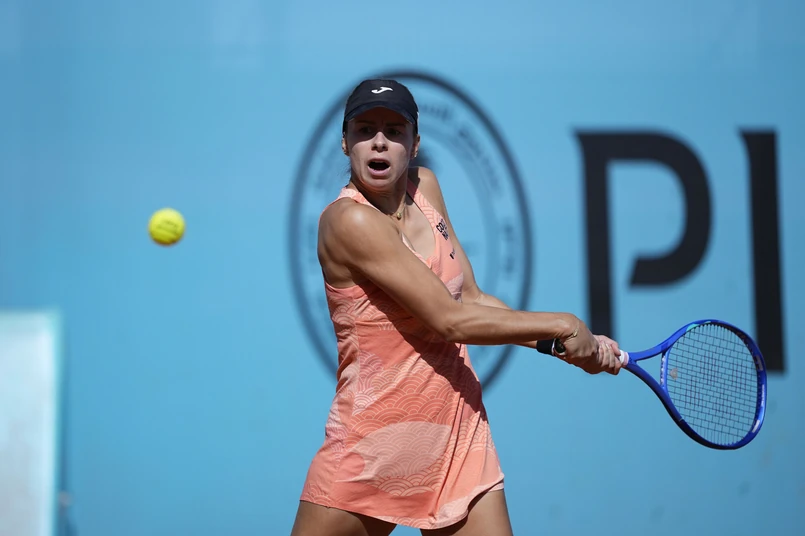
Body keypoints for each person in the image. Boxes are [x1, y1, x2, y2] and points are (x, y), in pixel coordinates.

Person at [291, 78, 623, 536]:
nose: (380, 142)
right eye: (365, 130)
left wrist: (560, 346)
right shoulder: (347, 221)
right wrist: (564, 324)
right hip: (373, 447)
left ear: (415, 144)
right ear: (346, 142)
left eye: (394, 130)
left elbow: (470, 298)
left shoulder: (426, 187)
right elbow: (449, 321)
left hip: (457, 437)